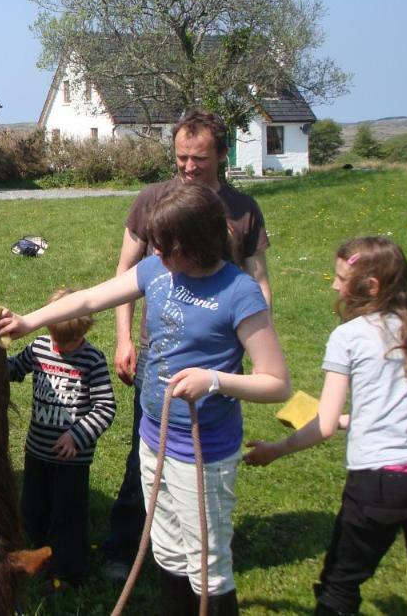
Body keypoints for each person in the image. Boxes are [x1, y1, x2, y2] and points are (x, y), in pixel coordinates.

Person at [0, 182, 290, 615]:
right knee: (167, 551)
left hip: (203, 452)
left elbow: (276, 382)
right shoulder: (158, 271)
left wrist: (215, 380)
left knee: (206, 562)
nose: (154, 252)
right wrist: (29, 321)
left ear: (195, 243)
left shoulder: (239, 293)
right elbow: (91, 297)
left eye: (163, 245)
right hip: (154, 439)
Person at [245, 237, 407, 616]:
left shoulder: (347, 337)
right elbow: (394, 408)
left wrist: (276, 450)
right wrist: (350, 418)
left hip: (378, 482)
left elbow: (326, 426)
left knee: (340, 586)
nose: (334, 285)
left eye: (340, 277)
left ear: (371, 287)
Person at [105, 110, 272, 581]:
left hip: (216, 356)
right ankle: (131, 546)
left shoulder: (243, 210)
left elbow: (259, 282)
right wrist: (123, 337)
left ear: (222, 153)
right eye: (181, 157)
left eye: (199, 158)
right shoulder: (154, 201)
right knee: (146, 452)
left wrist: (258, 345)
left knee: (200, 461)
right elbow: (126, 272)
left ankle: (201, 557)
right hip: (160, 356)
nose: (189, 167)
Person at [7, 288, 116, 588]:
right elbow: (13, 368)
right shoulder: (41, 347)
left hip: (72, 460)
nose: (62, 348)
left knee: (68, 515)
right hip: (37, 452)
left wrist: (77, 436)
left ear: (85, 332)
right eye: (57, 340)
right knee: (32, 508)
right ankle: (40, 556)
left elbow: (106, 407)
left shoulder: (92, 359)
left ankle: (69, 571)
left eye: (69, 343)